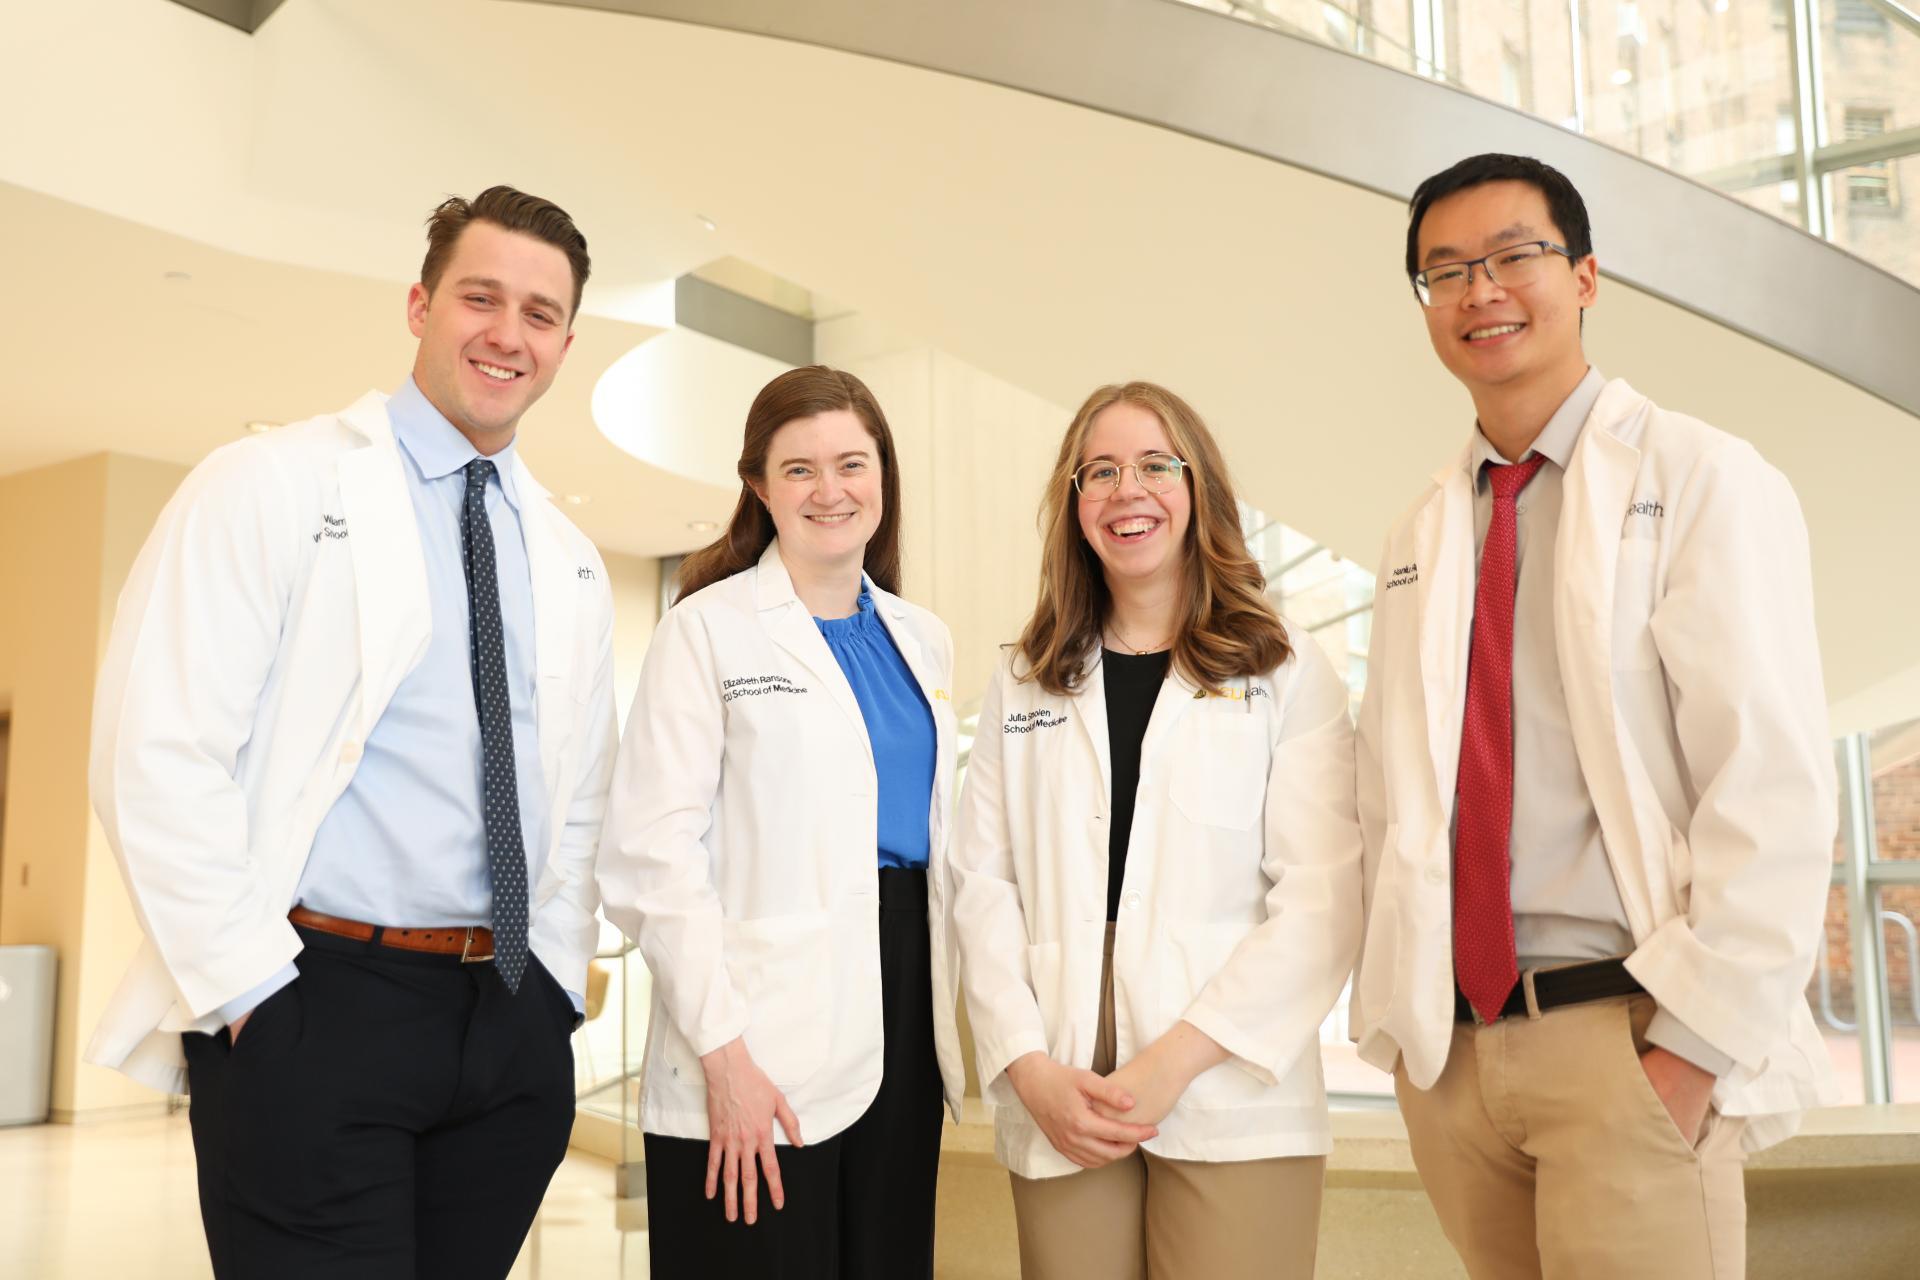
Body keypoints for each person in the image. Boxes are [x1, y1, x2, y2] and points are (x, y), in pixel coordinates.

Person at [84, 186, 615, 1278]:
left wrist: (552, 990)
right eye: (481, 296)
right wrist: (251, 996)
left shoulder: (565, 553)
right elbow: (155, 750)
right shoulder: (270, 483)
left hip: (505, 1018)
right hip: (313, 999)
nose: (507, 333)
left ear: (566, 341)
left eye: (540, 311)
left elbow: (582, 793)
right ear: (420, 303)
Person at [1351, 152, 1837, 1279]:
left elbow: (1767, 780)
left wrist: (1692, 1051)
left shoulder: (1702, 475)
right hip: (1458, 1060)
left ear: (1586, 278)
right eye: (1446, 272)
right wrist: (1410, 1043)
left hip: (1627, 1039)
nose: (1482, 291)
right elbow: (1392, 791)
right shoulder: (1421, 531)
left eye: (1515, 256)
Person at [948, 381, 1363, 1279]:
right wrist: (1025, 1062)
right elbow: (980, 889)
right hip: (1063, 1066)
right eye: (1099, 472)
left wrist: (1172, 1065)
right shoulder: (1025, 678)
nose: (1125, 490)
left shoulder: (1285, 666)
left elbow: (1323, 903)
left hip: (1224, 1054)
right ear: (1073, 504)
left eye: (1153, 466)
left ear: (1197, 486)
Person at [595, 365, 965, 1278]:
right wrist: (725, 1055)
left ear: (884, 475)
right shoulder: (706, 629)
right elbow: (649, 858)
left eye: (852, 462)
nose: (830, 490)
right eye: (799, 469)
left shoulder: (922, 637)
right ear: (759, 486)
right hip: (752, 1024)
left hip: (902, 998)